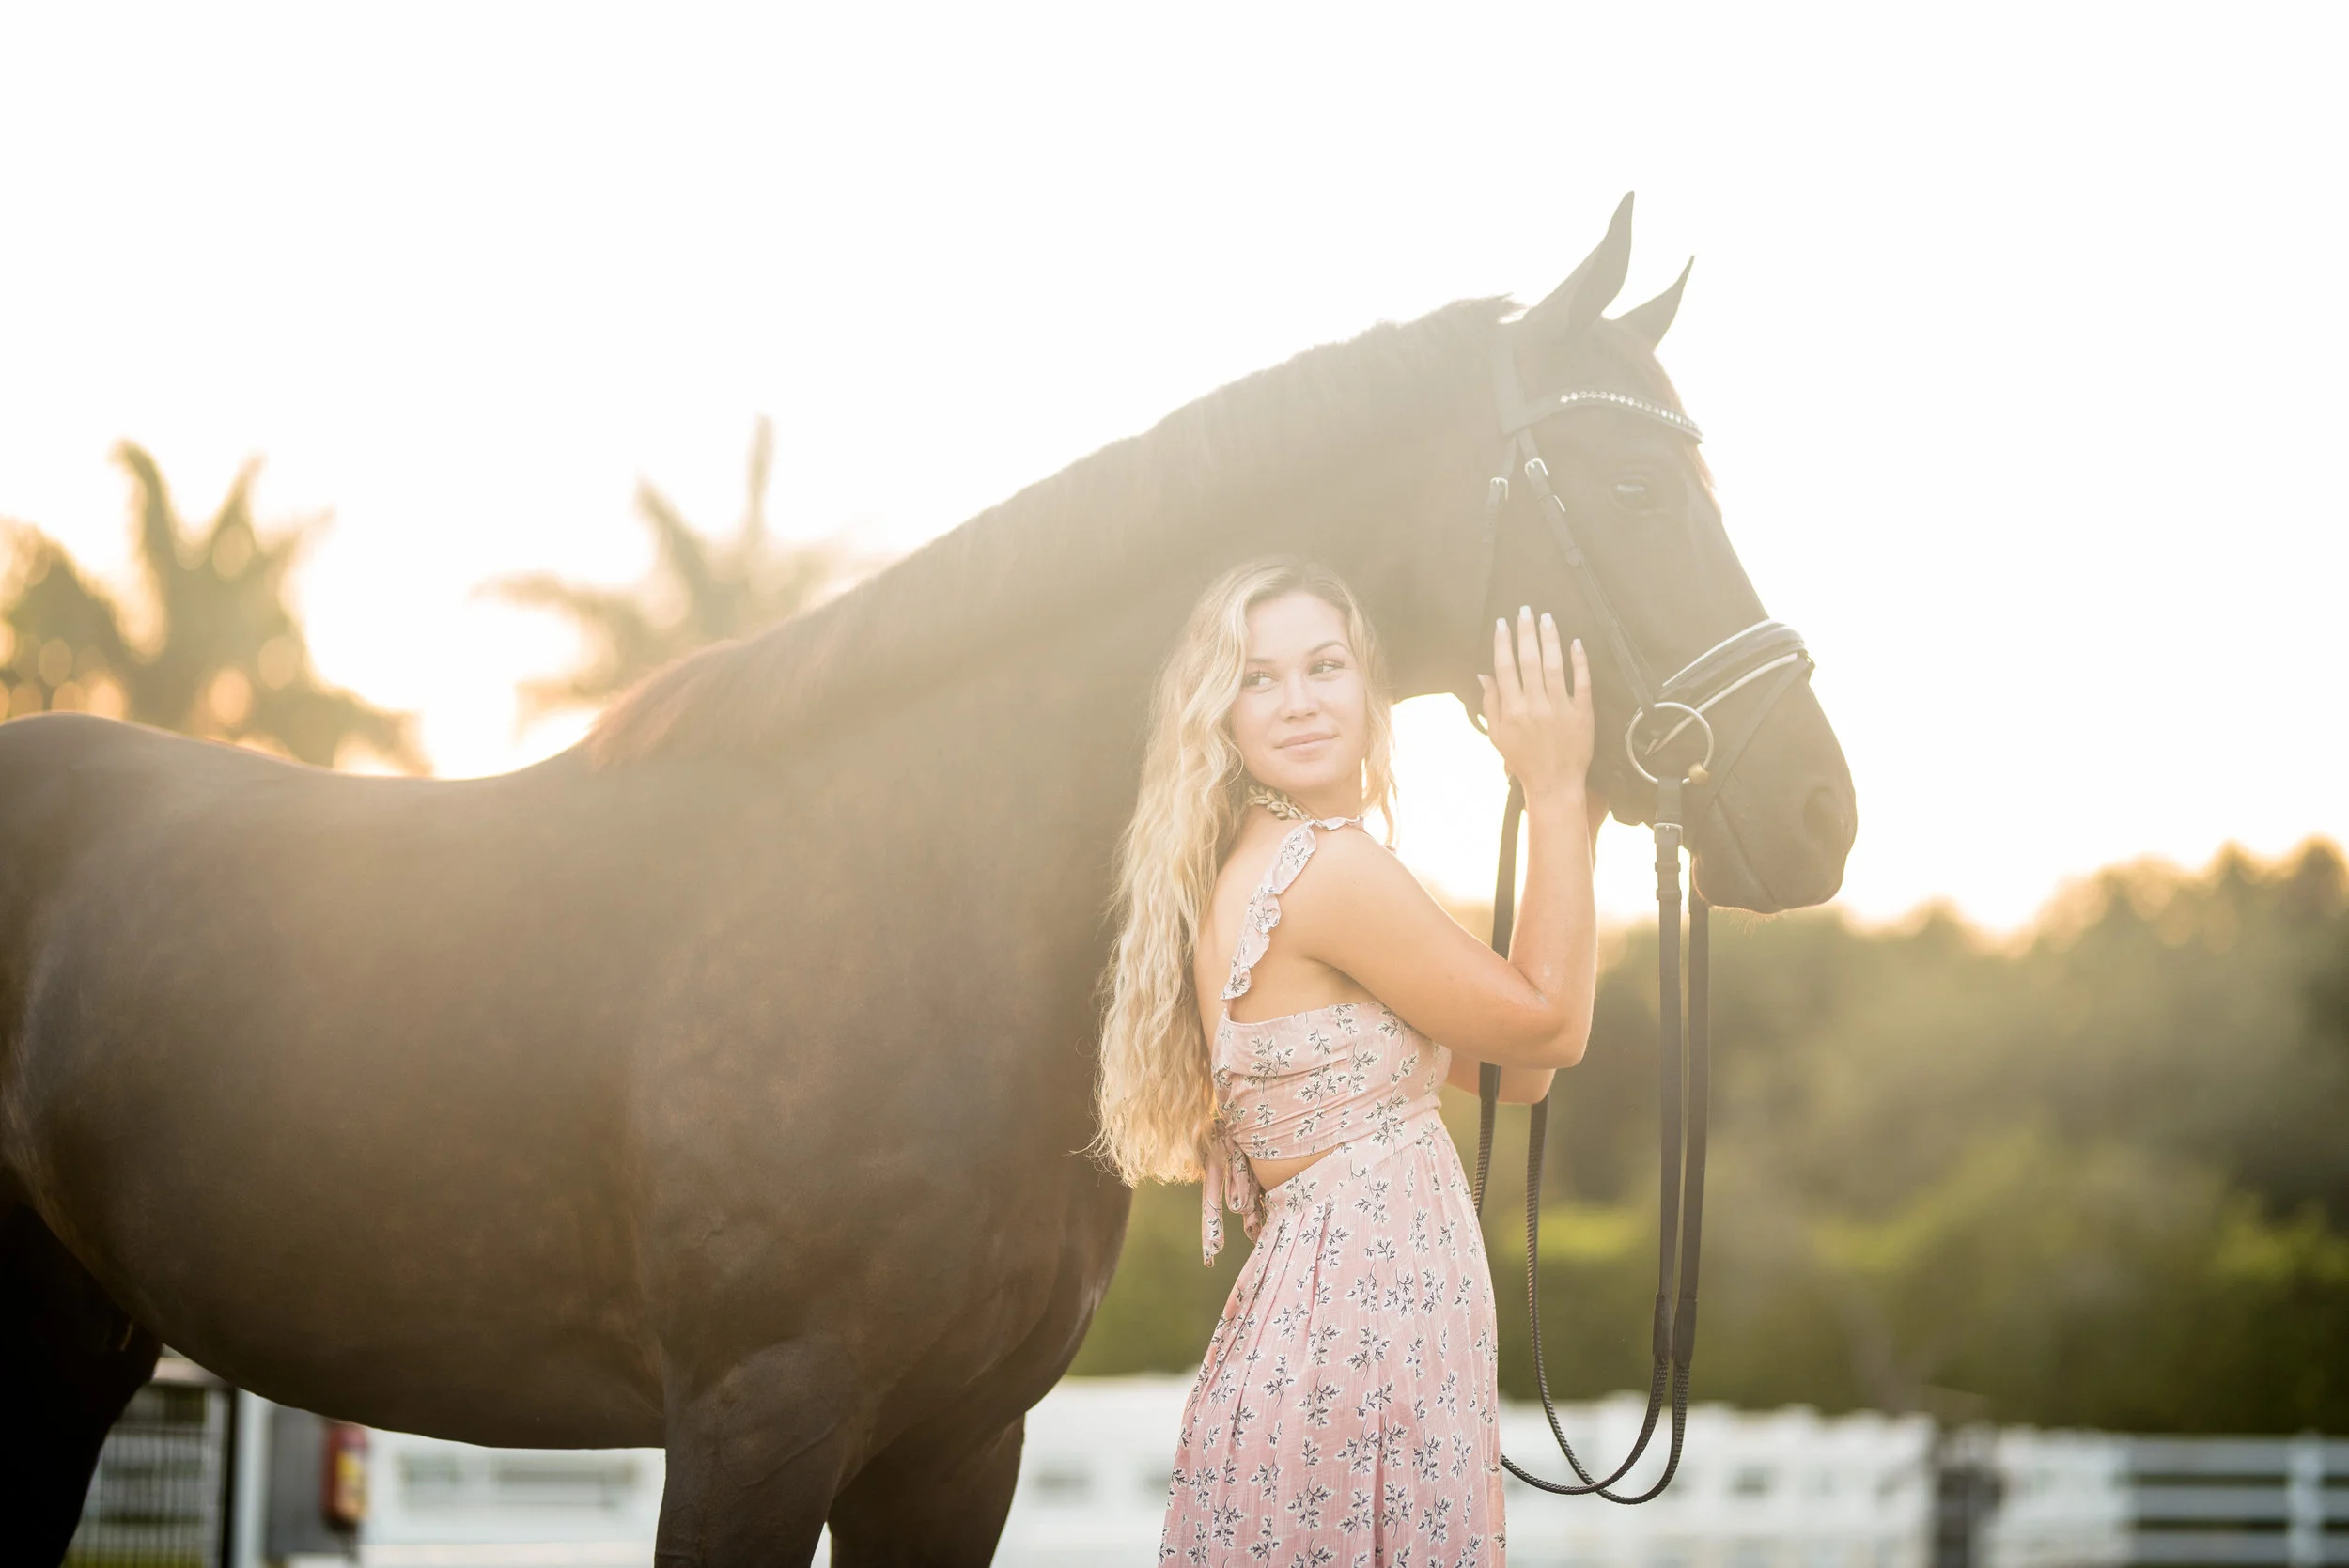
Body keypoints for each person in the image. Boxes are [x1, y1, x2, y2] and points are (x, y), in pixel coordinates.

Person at [1090, 556, 1604, 1566]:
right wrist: (1551, 783)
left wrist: (1572, 816)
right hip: (1361, 1360)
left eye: (1323, 666)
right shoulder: (1326, 871)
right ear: (1222, 718)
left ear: (1370, 683)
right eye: (1257, 677)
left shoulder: (1259, 866)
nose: (1297, 702)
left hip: (1343, 1346)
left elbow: (1516, 1072)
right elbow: (1552, 1029)